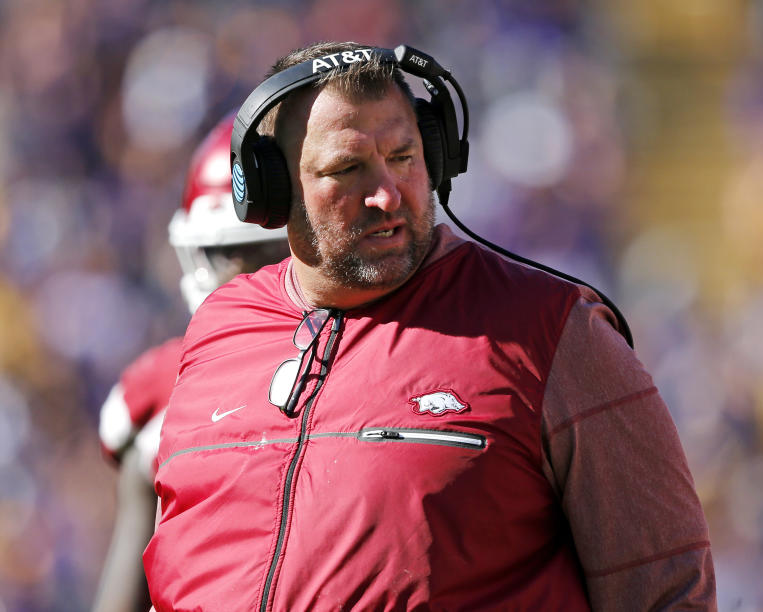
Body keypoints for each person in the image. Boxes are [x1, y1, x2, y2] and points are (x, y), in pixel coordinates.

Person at [145, 41, 716, 611]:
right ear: (271, 188)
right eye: (347, 168)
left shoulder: (551, 329)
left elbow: (668, 593)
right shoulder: (218, 329)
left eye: (404, 157)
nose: (386, 194)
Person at [92, 114, 289, 612]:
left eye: (277, 253)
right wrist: (142, 489)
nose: (259, 280)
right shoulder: (166, 390)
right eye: (235, 255)